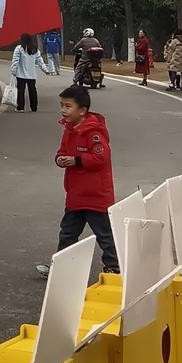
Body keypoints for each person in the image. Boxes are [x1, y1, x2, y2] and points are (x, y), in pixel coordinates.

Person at [35, 83, 119, 277]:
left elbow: (101, 158)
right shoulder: (69, 129)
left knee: (104, 235)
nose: (63, 110)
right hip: (75, 194)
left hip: (96, 195)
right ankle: (62, 266)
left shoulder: (94, 132)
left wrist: (76, 160)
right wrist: (60, 159)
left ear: (82, 110)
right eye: (62, 105)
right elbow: (62, 151)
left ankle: (114, 268)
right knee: (67, 233)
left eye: (68, 106)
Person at [10, 32, 40, 111]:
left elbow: (15, 60)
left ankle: (20, 107)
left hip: (21, 74)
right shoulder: (35, 49)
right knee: (32, 91)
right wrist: (46, 70)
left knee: (21, 91)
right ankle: (34, 107)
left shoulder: (19, 48)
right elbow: (40, 61)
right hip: (32, 75)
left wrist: (13, 71)